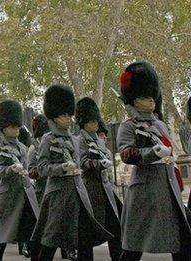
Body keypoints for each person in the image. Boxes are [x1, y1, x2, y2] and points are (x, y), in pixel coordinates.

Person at [117, 61, 191, 260]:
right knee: (134, 248)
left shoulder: (159, 124)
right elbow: (126, 154)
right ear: (133, 99)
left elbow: (169, 155)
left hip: (167, 189)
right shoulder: (128, 126)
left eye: (151, 96)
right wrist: (152, 152)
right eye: (143, 96)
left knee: (183, 241)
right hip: (145, 193)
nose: (150, 100)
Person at [30, 85, 112, 261]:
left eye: (69, 115)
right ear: (53, 116)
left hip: (78, 193)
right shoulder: (48, 139)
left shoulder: (74, 139)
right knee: (51, 239)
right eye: (64, 116)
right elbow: (43, 168)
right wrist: (62, 169)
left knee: (85, 237)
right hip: (58, 195)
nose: (68, 119)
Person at [0, 100, 39, 261]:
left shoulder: (22, 147)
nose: (16, 130)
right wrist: (10, 170)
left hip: (24, 192)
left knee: (31, 228)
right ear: (3, 127)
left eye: (17, 127)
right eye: (12, 127)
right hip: (8, 193)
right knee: (2, 231)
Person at [76, 97, 123, 260]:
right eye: (92, 121)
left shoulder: (97, 139)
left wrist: (105, 161)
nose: (96, 123)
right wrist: (97, 164)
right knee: (88, 232)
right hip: (91, 190)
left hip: (106, 190)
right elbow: (82, 162)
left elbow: (106, 155)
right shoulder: (80, 140)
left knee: (115, 228)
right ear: (84, 122)